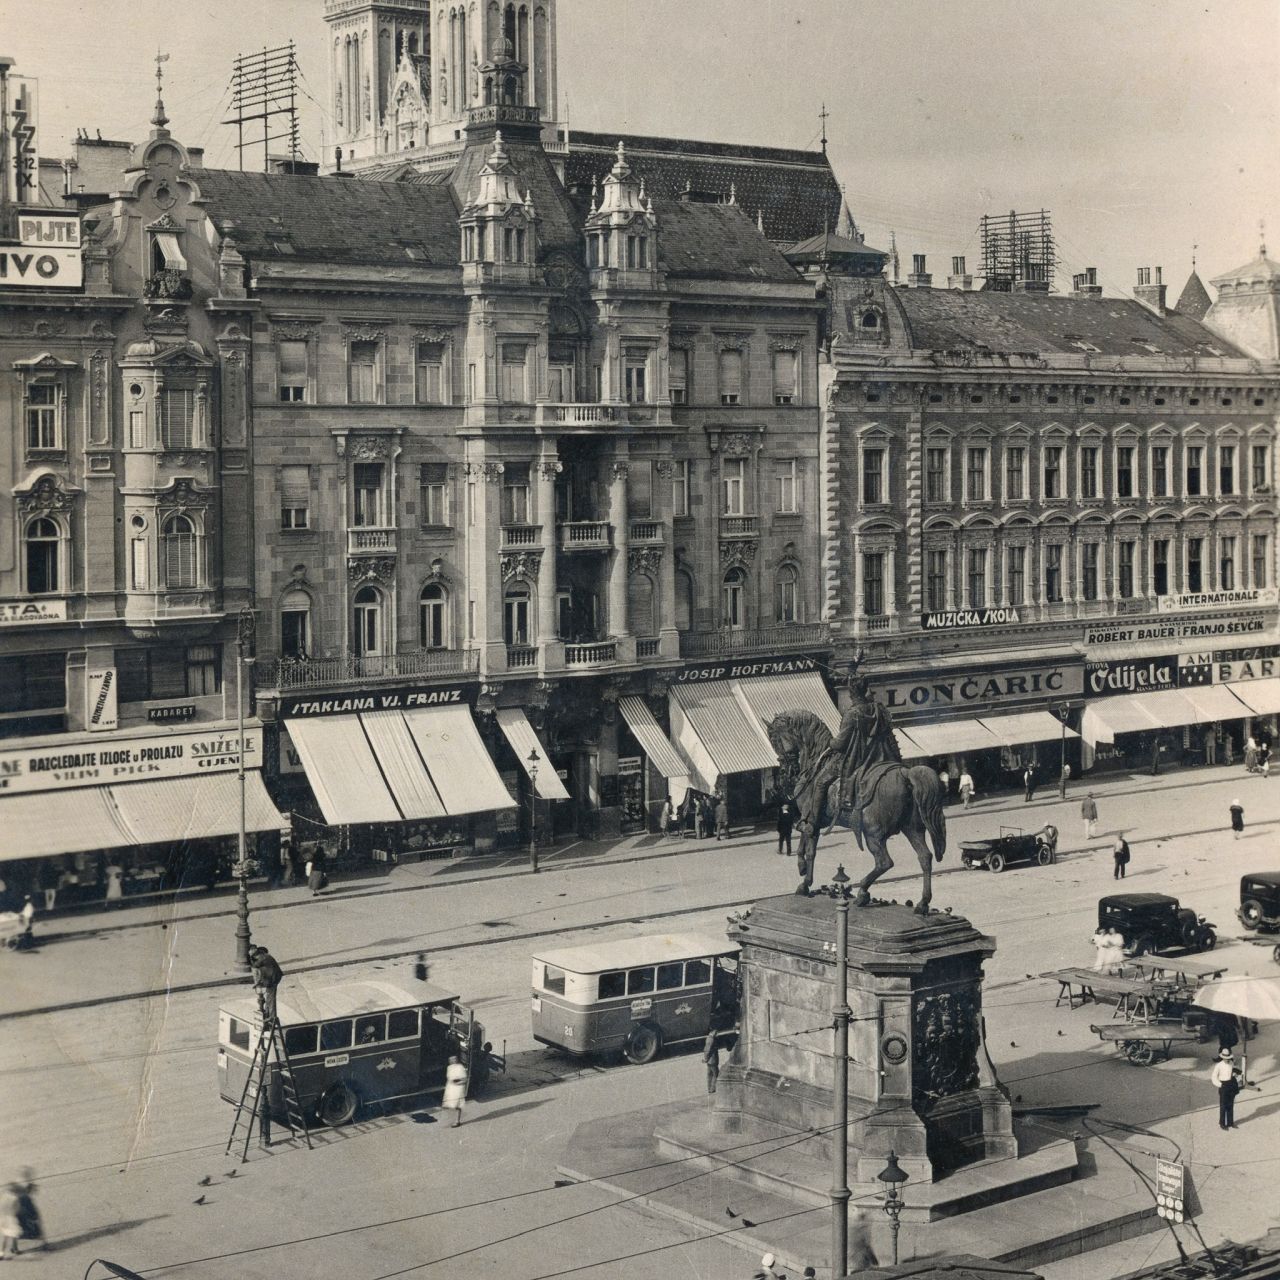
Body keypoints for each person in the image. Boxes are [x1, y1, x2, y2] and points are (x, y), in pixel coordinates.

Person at [250, 945, 284, 1023]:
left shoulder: (263, 957)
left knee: (271, 998)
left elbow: (255, 965)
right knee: (269, 997)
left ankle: (272, 1017)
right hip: (271, 978)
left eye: (251, 951)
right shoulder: (264, 957)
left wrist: (250, 957)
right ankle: (268, 1015)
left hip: (273, 979)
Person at [14, 1171, 45, 1253]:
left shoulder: (19, 1189)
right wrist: (35, 1214)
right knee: (36, 1227)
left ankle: (14, 1248)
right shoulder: (25, 1195)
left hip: (18, 1211)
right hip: (25, 1211)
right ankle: (44, 1245)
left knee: (17, 1230)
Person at [1212, 1048, 1240, 1129]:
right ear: (1222, 1057)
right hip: (1223, 1085)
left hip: (1231, 1084)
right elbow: (1214, 1077)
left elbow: (1233, 1071)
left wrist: (1235, 1074)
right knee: (1223, 1105)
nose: (1227, 1060)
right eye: (1225, 1058)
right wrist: (1220, 1085)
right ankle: (1222, 1123)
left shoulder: (1231, 1063)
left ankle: (1230, 1122)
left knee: (1230, 1104)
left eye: (1228, 1058)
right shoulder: (1218, 1065)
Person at [442, 1054, 467, 1127]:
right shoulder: (449, 1067)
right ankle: (453, 1119)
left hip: (458, 1088)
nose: (452, 1061)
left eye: (454, 1059)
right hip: (451, 1088)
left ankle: (457, 1121)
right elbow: (449, 1078)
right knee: (451, 1104)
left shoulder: (460, 1067)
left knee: (457, 1105)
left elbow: (464, 1079)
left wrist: (458, 1083)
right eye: (451, 1060)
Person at [0, 1183, 21, 1260]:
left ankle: (1, 1253)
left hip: (2, 1218)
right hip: (11, 1218)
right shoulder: (15, 1198)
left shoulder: (3, 1196)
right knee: (15, 1233)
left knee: (5, 1236)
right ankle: (15, 1248)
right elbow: (17, 1209)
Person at [702, 1027, 724, 1094]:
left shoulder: (709, 1038)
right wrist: (706, 1059)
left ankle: (710, 1089)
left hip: (709, 1060)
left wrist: (706, 1059)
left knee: (710, 1074)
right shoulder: (711, 1039)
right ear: (712, 1031)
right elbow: (707, 1050)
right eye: (716, 1032)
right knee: (716, 1074)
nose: (717, 1033)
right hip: (712, 1060)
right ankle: (714, 1088)